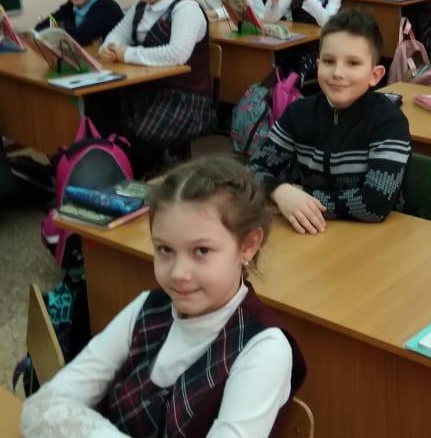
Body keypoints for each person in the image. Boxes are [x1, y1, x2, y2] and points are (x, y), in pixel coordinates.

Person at [21, 155, 306, 437]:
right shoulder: (147, 308)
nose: (179, 272)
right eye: (165, 249)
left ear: (248, 245)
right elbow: (42, 407)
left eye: (202, 251)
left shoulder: (264, 349)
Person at [249, 11, 411, 234]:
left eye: (353, 63)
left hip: (376, 237)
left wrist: (303, 198)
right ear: (318, 65)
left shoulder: (389, 122)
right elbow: (251, 170)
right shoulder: (299, 112)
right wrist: (280, 191)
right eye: (328, 61)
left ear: (375, 75)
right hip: (311, 232)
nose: (337, 73)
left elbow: (375, 203)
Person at [97, 0, 213, 176]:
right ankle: (115, 172)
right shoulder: (142, 5)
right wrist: (108, 48)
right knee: (103, 111)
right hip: (148, 89)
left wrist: (126, 54)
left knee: (137, 133)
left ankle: (142, 178)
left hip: (186, 99)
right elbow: (119, 33)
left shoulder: (186, 8)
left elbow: (177, 54)